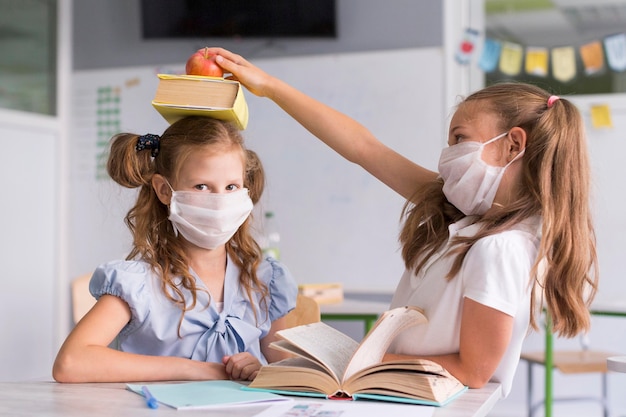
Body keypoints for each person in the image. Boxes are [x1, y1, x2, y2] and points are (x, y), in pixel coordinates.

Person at [206, 47, 598, 397]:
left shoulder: (501, 246)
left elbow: (475, 370)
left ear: (513, 144)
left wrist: (357, 366)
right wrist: (270, 87)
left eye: (459, 138)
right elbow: (364, 148)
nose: (448, 155)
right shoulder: (471, 217)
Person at [53, 116, 298, 383]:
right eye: (202, 186)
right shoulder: (139, 284)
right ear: (163, 190)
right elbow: (71, 363)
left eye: (231, 187)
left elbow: (290, 375)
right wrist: (195, 369)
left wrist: (260, 370)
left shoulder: (263, 280)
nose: (219, 201)